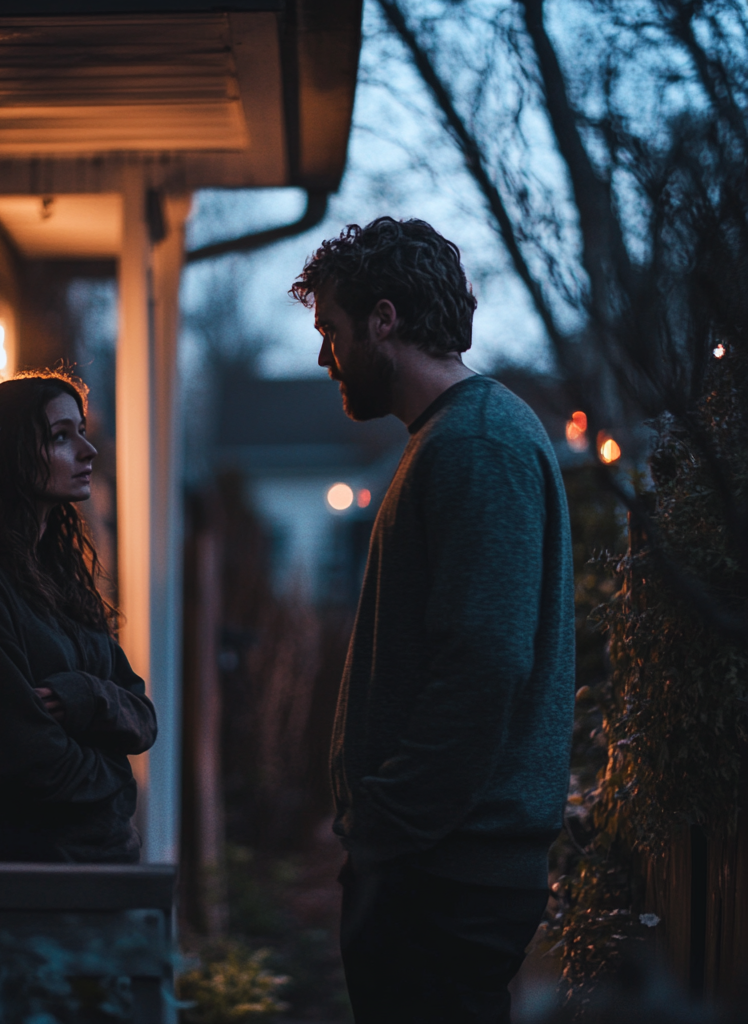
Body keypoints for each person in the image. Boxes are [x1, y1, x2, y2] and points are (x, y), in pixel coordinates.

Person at [291, 218, 574, 1023]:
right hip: (440, 863)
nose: (325, 356)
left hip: (446, 872)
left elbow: (485, 662)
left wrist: (388, 828)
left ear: (384, 320)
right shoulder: (450, 440)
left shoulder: (476, 445)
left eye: (332, 331)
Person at [0, 372, 156, 863]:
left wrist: (85, 695)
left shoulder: (60, 582)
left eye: (81, 431)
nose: (88, 450)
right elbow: (28, 763)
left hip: (99, 880)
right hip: (19, 890)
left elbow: (142, 716)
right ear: (8, 455)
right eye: (62, 436)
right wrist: (119, 775)